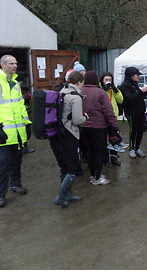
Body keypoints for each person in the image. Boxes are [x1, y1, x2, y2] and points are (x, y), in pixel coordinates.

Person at [49, 71, 88, 207]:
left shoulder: (62, 92)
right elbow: (77, 120)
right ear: (79, 82)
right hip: (69, 133)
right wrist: (86, 117)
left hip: (57, 133)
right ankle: (60, 196)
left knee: (64, 165)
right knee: (73, 167)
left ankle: (68, 194)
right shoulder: (75, 97)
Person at [0, 55, 31, 207]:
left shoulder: (15, 83)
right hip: (3, 134)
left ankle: (16, 184)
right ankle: (1, 194)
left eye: (16, 63)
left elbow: (20, 106)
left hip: (17, 132)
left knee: (16, 161)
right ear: (3, 65)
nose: (15, 66)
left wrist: (27, 123)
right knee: (3, 165)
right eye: (11, 63)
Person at [81, 71, 120, 185]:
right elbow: (108, 111)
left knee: (89, 151)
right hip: (99, 127)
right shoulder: (100, 92)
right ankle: (97, 177)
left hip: (83, 126)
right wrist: (115, 126)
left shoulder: (80, 91)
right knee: (99, 152)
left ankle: (93, 175)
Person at [119, 67, 147, 159]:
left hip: (140, 110)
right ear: (131, 75)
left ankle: (137, 148)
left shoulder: (135, 84)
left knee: (141, 129)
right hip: (131, 112)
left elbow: (139, 96)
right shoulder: (124, 86)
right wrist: (141, 91)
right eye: (136, 74)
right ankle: (131, 148)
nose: (138, 76)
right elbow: (131, 98)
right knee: (133, 130)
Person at [99, 72, 127, 167]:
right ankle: (105, 158)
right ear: (102, 81)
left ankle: (114, 156)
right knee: (104, 139)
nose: (108, 82)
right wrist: (104, 90)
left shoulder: (113, 90)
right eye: (106, 80)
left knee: (114, 138)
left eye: (110, 80)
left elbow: (121, 100)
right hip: (103, 118)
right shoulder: (100, 90)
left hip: (113, 116)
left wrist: (116, 90)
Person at [16, 73, 35, 154]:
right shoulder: (15, 87)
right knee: (23, 133)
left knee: (24, 132)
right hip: (18, 116)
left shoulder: (16, 87)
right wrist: (25, 96)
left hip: (21, 114)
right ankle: (23, 148)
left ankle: (22, 147)